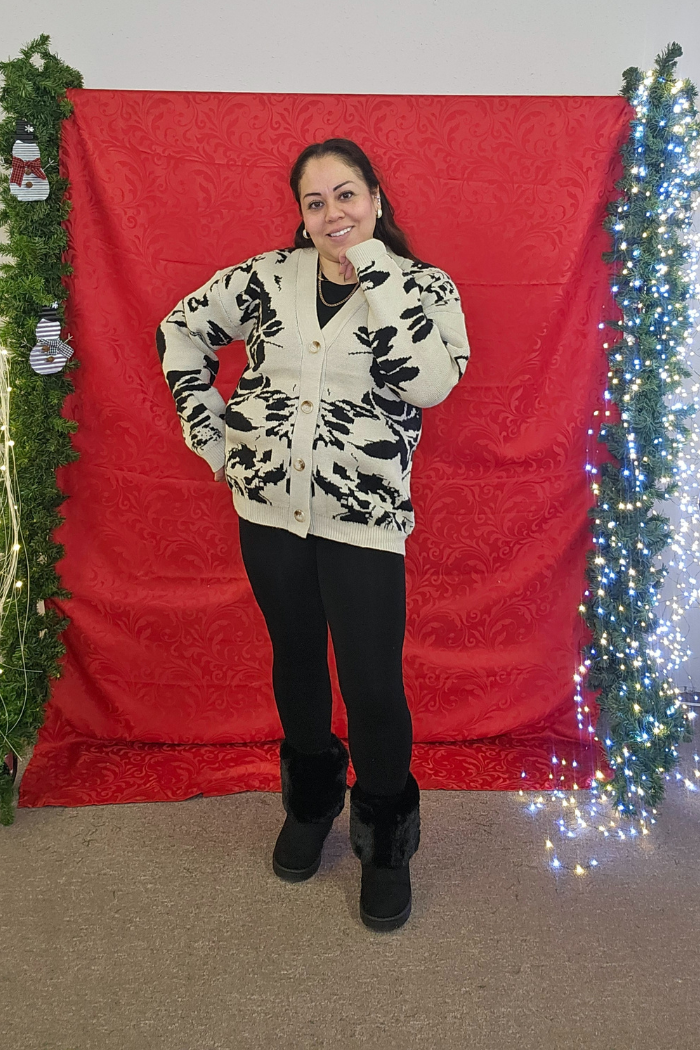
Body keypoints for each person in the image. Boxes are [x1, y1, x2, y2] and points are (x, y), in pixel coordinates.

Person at [156, 138, 470, 931]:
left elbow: (428, 382)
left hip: (363, 519)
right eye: (315, 202)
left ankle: (387, 842)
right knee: (294, 661)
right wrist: (215, 437)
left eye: (347, 195)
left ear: (375, 197)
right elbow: (180, 333)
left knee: (370, 684)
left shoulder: (423, 287)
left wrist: (376, 269)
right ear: (299, 213)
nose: (333, 214)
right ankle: (310, 805)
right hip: (267, 510)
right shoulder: (264, 279)